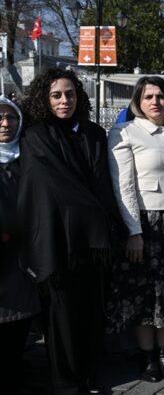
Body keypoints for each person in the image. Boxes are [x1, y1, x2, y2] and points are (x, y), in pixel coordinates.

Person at [18, 68, 123, 393]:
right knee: (61, 316)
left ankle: (89, 372)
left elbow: (103, 181)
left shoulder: (93, 132)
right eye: (56, 95)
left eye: (70, 94)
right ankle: (67, 382)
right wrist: (91, 206)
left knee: (91, 311)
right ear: (44, 99)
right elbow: (52, 186)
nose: (65, 101)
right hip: (58, 241)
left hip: (93, 242)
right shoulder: (36, 135)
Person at [106, 76, 164, 381]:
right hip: (144, 223)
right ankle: (147, 357)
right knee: (144, 294)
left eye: (160, 96)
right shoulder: (125, 132)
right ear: (138, 102)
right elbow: (124, 187)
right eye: (148, 97)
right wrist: (133, 232)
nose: (155, 102)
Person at [0, 96, 39, 391]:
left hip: (22, 253)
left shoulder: (28, 157)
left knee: (18, 318)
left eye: (11, 118)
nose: (5, 124)